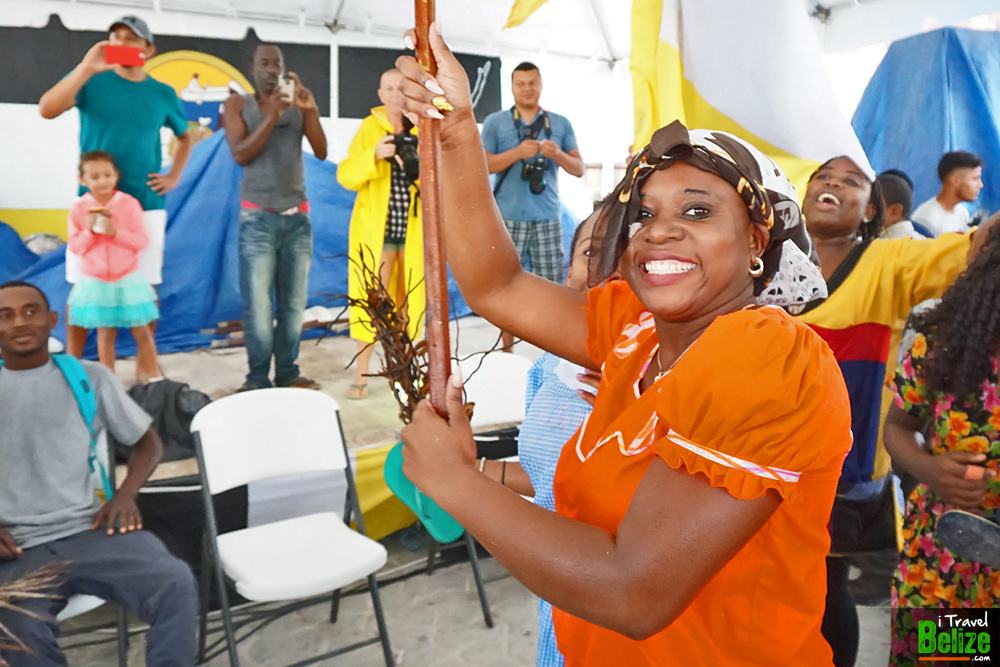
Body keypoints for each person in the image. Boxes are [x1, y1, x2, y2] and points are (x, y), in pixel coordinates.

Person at [393, 26, 853, 666]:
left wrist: (458, 484)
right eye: (643, 212)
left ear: (755, 242)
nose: (659, 231)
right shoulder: (638, 334)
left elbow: (633, 591)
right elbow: (498, 284)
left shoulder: (768, 356)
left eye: (697, 212)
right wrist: (459, 131)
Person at [795, 156, 975, 666]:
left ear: (872, 208)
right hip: (763, 468)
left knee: (828, 591)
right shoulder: (761, 262)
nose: (831, 184)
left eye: (850, 180)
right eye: (823, 177)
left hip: (841, 479)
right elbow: (901, 428)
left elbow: (975, 251)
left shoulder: (888, 264)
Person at [0, 280, 197, 667]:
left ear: (52, 320)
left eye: (30, 311)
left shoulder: (90, 377)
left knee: (174, 582)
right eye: (5, 316)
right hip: (16, 550)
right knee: (17, 634)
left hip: (90, 530)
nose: (20, 323)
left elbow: (148, 442)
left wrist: (125, 495)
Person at [479, 208, 606, 667]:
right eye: (591, 251)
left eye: (627, 250)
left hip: (620, 598)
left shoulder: (673, 377)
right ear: (566, 270)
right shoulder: (547, 371)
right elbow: (545, 476)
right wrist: (470, 469)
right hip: (557, 589)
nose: (604, 267)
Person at [38, 15, 193, 358]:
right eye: (115, 37)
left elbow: (186, 136)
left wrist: (174, 176)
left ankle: (146, 366)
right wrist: (86, 67)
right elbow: (47, 109)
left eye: (131, 38)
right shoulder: (91, 82)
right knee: (82, 286)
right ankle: (74, 364)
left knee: (146, 286)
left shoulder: (163, 93)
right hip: (93, 203)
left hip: (147, 200)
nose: (121, 43)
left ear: (148, 49)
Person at [883, 213, 1000, 664]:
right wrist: (933, 469)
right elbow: (898, 428)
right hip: (948, 562)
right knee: (947, 655)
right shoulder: (942, 344)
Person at [220, 44, 327, 391]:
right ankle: (256, 380)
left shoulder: (296, 103)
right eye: (264, 63)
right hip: (257, 220)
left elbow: (322, 151)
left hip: (297, 219)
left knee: (294, 307)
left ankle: (287, 373)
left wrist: (309, 112)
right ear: (252, 67)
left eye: (276, 64)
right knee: (259, 310)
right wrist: (272, 116)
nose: (271, 69)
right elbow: (241, 154)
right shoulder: (237, 104)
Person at [480, 62, 584, 352]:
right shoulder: (495, 123)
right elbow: (481, 165)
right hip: (507, 217)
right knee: (504, 284)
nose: (527, 88)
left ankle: (551, 349)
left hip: (547, 216)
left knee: (551, 287)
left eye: (532, 82)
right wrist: (516, 153)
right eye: (520, 83)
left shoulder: (560, 123)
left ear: (541, 84)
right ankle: (507, 349)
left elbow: (578, 169)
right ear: (511, 87)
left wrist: (558, 154)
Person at [337, 68, 424, 400]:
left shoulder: (422, 127)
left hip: (413, 232)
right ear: (380, 94)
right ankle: (362, 374)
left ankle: (408, 370)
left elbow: (434, 180)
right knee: (373, 304)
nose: (396, 94)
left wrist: (411, 167)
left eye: (402, 88)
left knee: (411, 304)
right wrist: (375, 154)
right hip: (379, 232)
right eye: (389, 88)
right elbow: (346, 175)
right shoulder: (368, 128)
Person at [66, 151, 160, 379]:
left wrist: (115, 232)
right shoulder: (79, 208)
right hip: (96, 280)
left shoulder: (129, 204)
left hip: (127, 277)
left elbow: (141, 241)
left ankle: (152, 377)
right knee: (105, 334)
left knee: (142, 331)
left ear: (116, 175)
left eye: (107, 174)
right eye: (95, 176)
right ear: (83, 180)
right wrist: (89, 230)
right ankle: (109, 380)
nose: (102, 181)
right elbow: (76, 247)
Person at [911, 151, 984, 237]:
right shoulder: (926, 219)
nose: (981, 185)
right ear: (955, 180)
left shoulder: (962, 212)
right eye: (975, 179)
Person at [877, 172, 924, 240]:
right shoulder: (922, 241)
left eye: (873, 206)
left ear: (895, 211)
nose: (866, 212)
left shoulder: (889, 244)